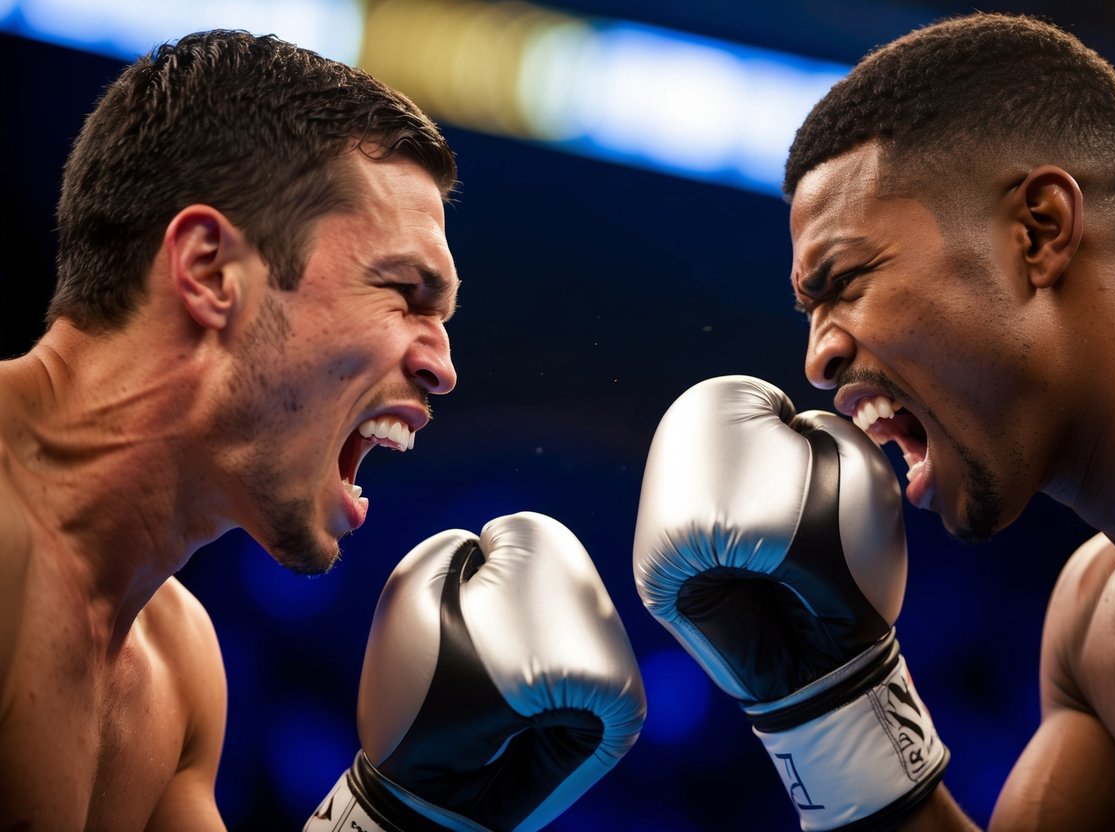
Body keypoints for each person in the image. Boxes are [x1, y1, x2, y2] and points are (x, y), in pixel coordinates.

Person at [0, 29, 645, 830]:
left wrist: (398, 815)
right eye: (406, 292)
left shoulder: (174, 660)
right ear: (209, 271)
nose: (443, 367)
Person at [633, 11, 1115, 832]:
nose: (817, 360)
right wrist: (827, 703)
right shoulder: (1094, 621)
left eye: (843, 279)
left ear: (1036, 231)